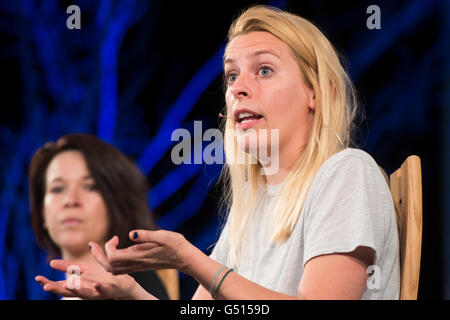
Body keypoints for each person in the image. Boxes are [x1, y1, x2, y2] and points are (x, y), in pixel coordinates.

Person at [36, 5, 400, 300]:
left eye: (264, 70)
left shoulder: (348, 172)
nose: (238, 88)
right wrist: (132, 295)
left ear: (316, 93)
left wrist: (191, 260)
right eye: (231, 76)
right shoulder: (251, 212)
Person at [31, 133, 168, 300]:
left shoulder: (136, 288)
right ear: (42, 212)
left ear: (116, 202)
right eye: (57, 189)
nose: (70, 200)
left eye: (90, 187)